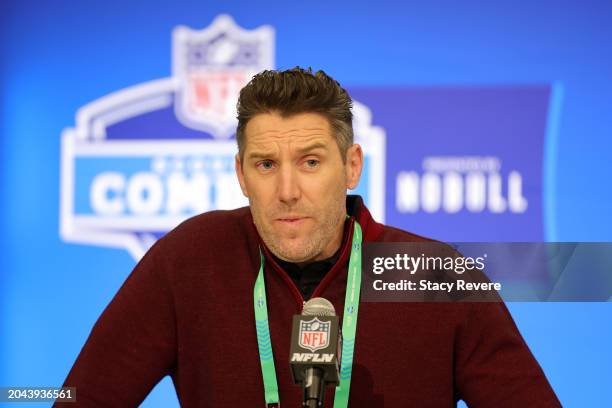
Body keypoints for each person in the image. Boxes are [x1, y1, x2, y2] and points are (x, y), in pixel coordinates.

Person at [55, 67, 561, 407]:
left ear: (352, 166)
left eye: (311, 162)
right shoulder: (189, 260)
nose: (287, 191)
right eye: (266, 164)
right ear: (240, 174)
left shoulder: (434, 274)